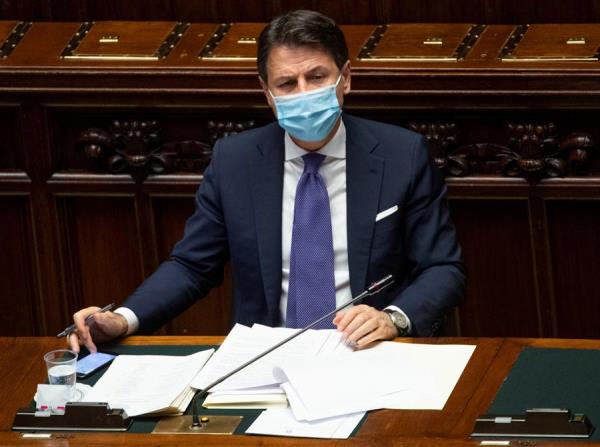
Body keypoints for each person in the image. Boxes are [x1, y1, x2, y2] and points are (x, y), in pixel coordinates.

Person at [69, 10, 464, 354]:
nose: (304, 93)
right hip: (265, 358)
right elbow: (192, 266)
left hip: (369, 350)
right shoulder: (235, 161)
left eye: (317, 77)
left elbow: (443, 268)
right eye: (287, 84)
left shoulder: (401, 155)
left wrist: (392, 318)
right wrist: (122, 319)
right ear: (267, 93)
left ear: (345, 78)